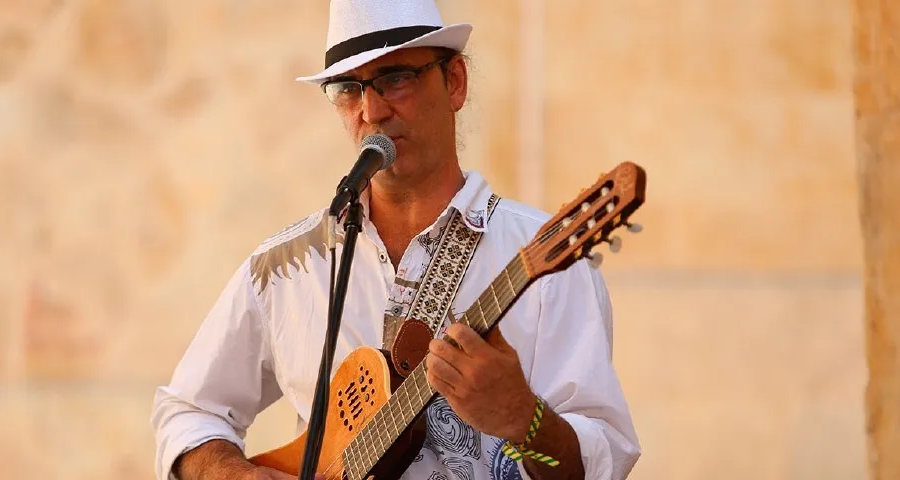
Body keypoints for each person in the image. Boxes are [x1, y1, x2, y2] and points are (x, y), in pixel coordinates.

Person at [150, 0, 641, 479]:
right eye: (347, 88)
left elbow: (598, 468)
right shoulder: (286, 267)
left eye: (395, 78)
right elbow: (187, 413)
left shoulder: (545, 257)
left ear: (455, 82)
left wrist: (525, 420)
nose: (372, 109)